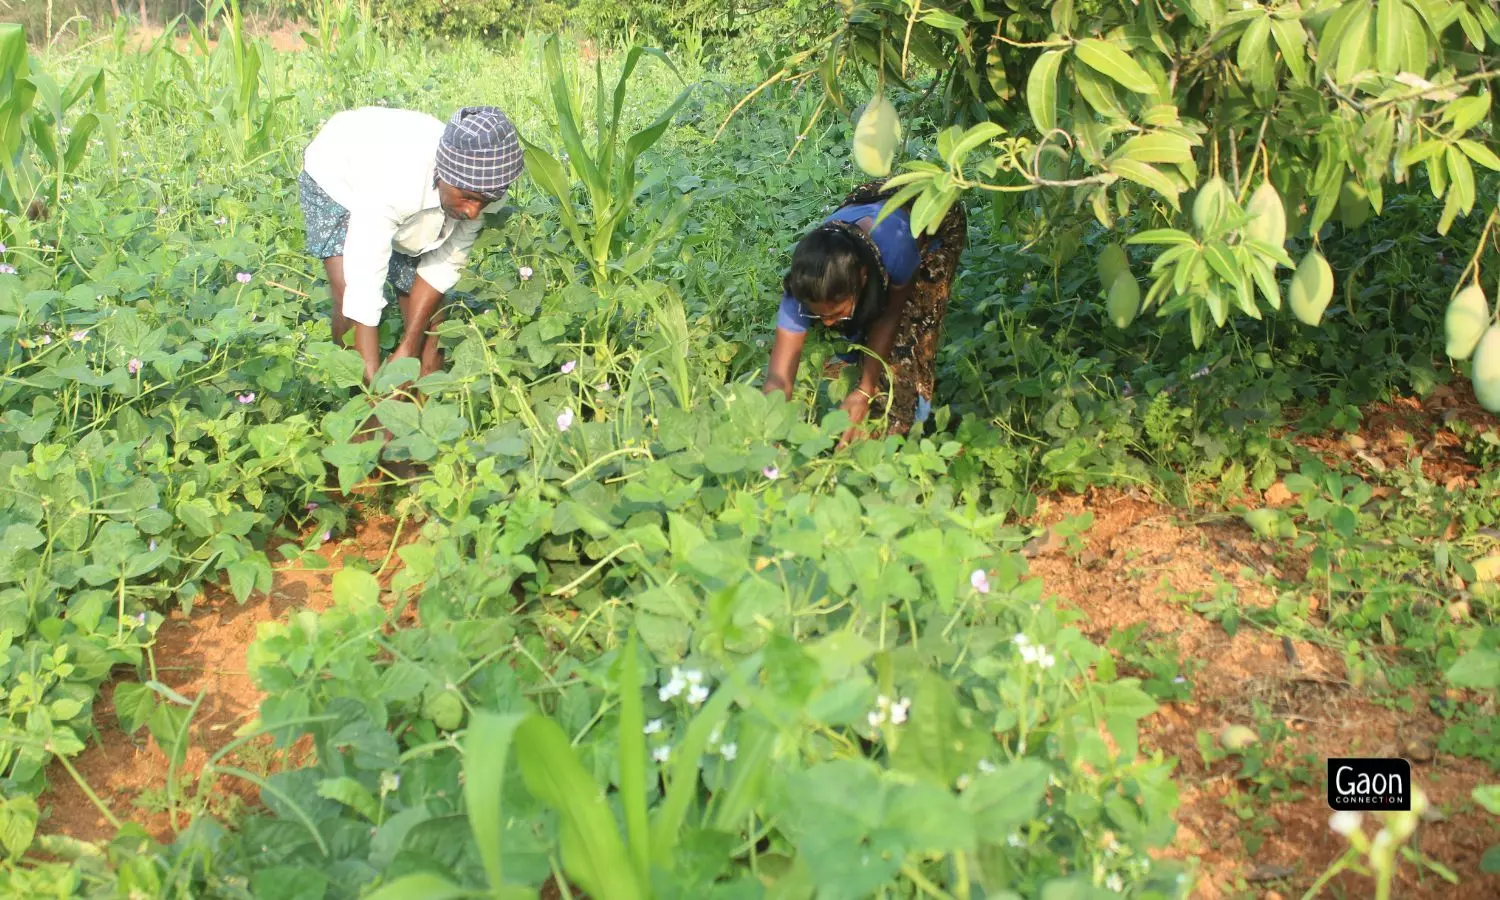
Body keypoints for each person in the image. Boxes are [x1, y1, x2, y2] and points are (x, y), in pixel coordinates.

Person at [299, 104, 524, 384]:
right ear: (444, 175)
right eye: (467, 197)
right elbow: (363, 288)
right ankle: (357, 396)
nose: (473, 212)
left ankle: (419, 395)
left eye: (484, 201)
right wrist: (376, 397)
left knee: (428, 323)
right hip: (337, 172)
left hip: (411, 191)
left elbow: (443, 266)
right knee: (348, 299)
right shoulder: (394, 186)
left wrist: (409, 344)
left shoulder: (486, 187)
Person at [761, 179, 967, 443]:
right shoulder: (806, 283)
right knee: (853, 339)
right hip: (873, 198)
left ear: (862, 277)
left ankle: (905, 431)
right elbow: (778, 380)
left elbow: (891, 316)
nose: (827, 323)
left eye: (836, 313)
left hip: (934, 215)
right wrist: (764, 440)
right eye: (819, 316)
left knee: (910, 335)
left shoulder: (897, 249)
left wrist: (866, 389)